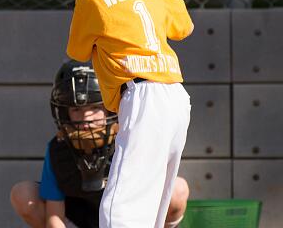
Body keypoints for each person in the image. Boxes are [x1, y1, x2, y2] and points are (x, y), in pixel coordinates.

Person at [46, 0, 194, 228]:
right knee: (152, 200)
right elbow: (183, 26)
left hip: (142, 97)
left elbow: (78, 52)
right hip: (174, 97)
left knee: (121, 206)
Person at [10, 60, 190, 228]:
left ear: (110, 108)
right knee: (23, 194)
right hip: (79, 219)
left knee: (178, 190)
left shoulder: (131, 139)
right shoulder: (59, 149)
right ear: (64, 113)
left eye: (95, 107)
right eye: (76, 109)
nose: (86, 118)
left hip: (129, 217)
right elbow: (54, 216)